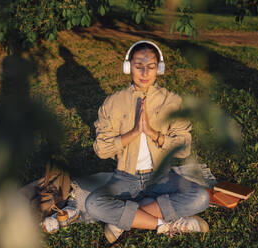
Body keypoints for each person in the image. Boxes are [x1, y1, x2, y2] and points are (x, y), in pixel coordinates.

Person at [85, 41, 210, 243]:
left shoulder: (172, 101)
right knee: (93, 204)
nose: (144, 73)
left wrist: (154, 133)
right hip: (125, 177)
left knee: (201, 197)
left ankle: (123, 220)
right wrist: (134, 132)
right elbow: (101, 149)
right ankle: (166, 224)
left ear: (159, 69)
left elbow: (184, 148)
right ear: (128, 67)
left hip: (162, 175)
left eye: (150, 67)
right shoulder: (113, 102)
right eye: (138, 66)